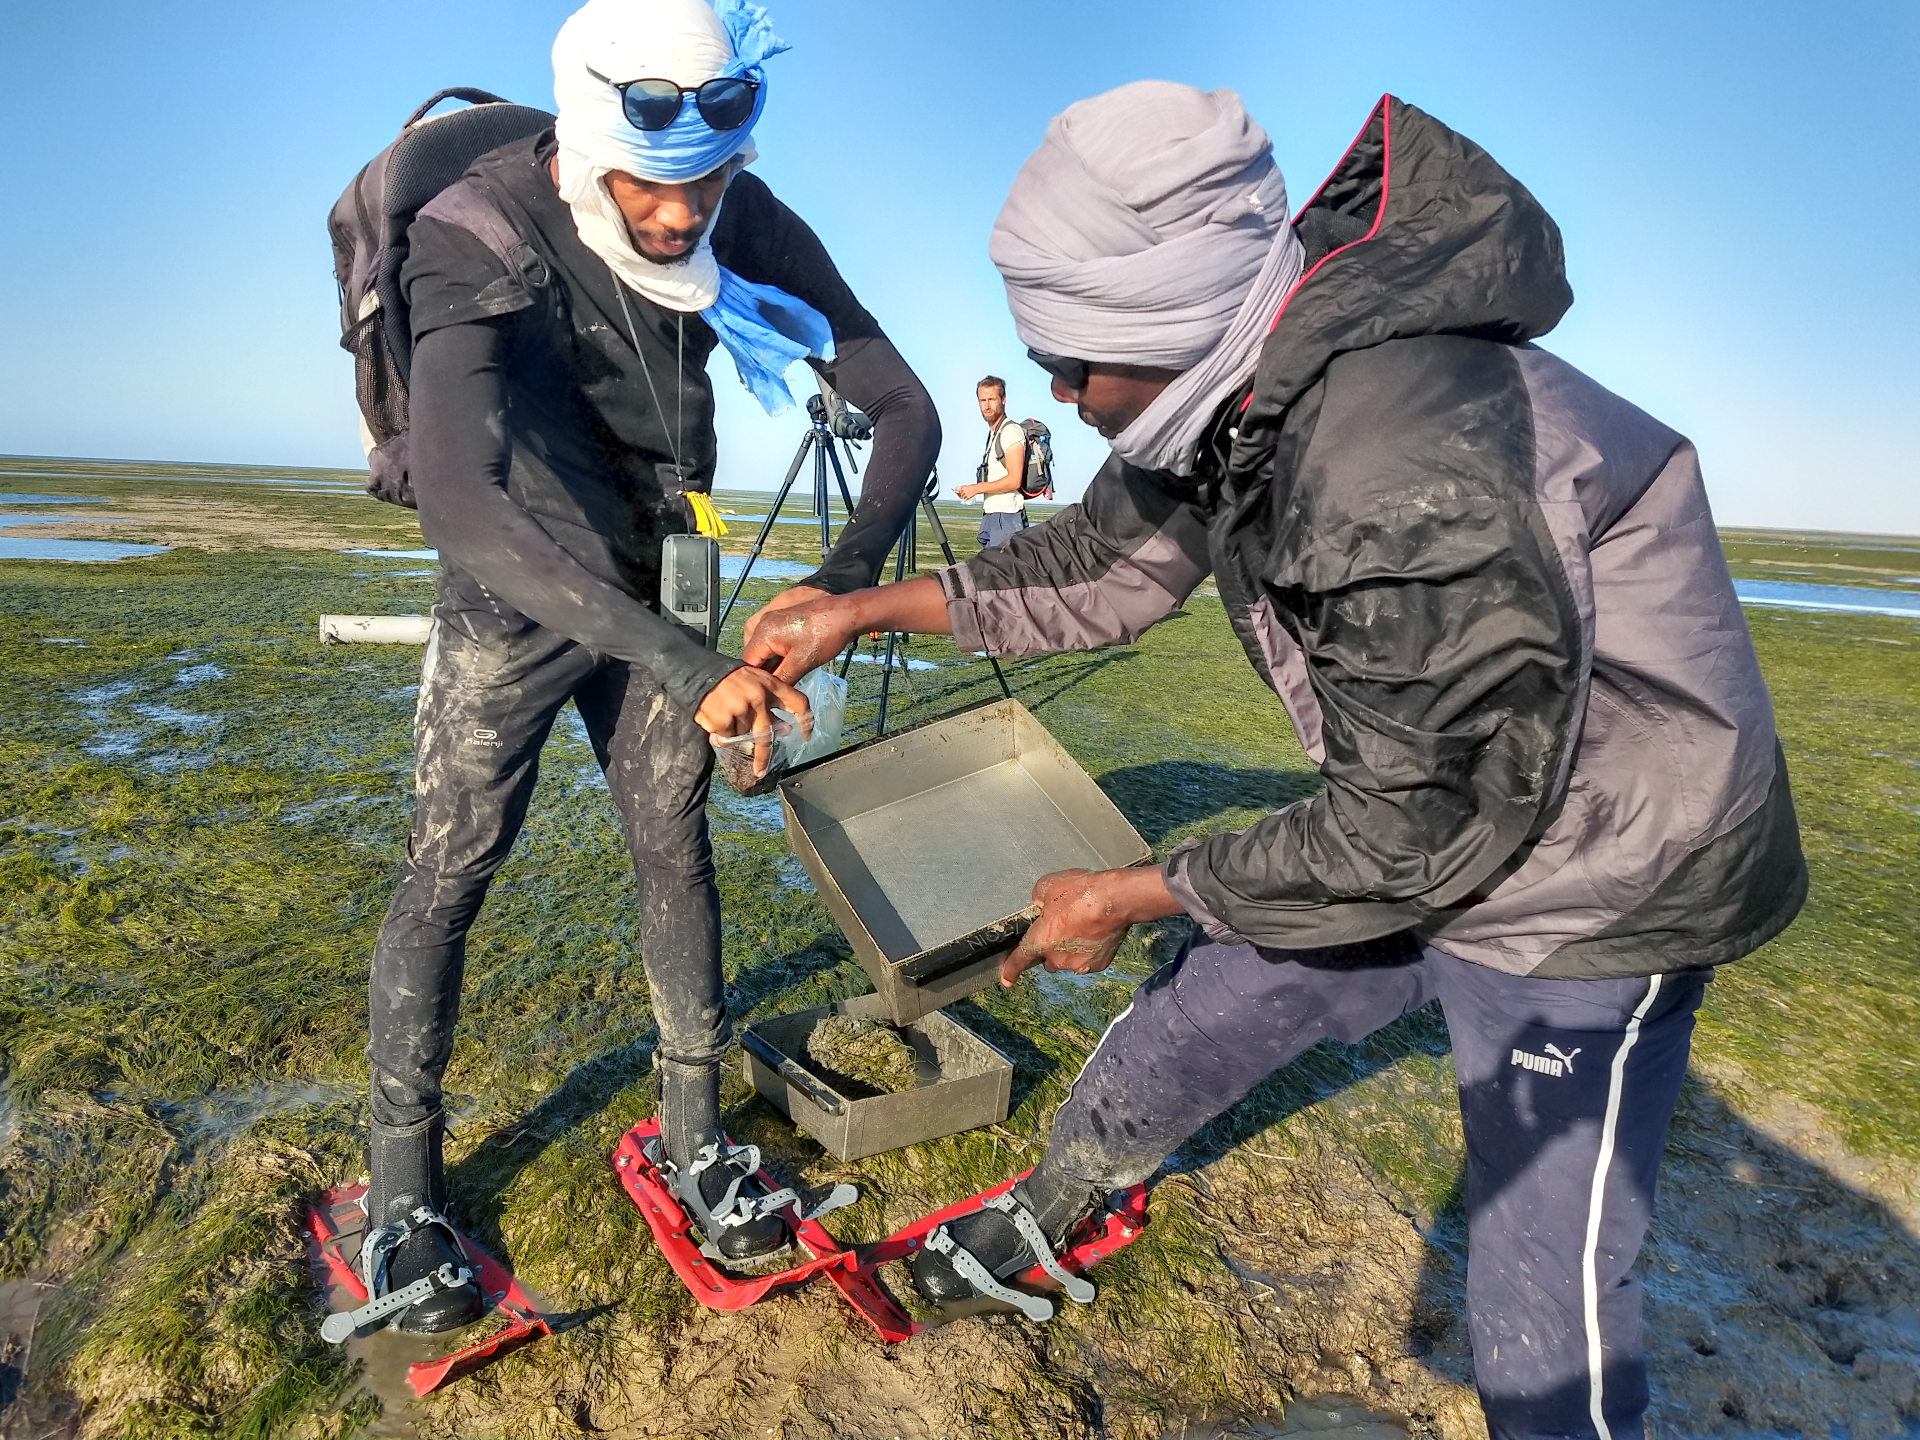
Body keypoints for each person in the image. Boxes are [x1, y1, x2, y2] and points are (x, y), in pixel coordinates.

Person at [743, 84, 1805, 1440]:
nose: (1062, 397)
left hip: (1603, 874)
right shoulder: (1234, 382)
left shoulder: (1401, 459)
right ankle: (1060, 1199)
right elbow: (1094, 565)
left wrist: (1124, 892)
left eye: (1073, 365)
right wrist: (858, 610)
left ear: (1167, 325)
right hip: (1436, 811)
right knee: (1196, 1019)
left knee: (1542, 1299)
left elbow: (1411, 830)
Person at [360, 0, 939, 1333]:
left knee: (673, 842)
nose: (683, 220)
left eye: (708, 186)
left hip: (669, 547)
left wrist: (839, 582)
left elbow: (901, 404)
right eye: (649, 190)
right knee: (454, 861)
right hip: (522, 574)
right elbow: (458, 497)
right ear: (584, 142)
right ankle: (403, 1196)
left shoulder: (740, 206)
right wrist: (683, 659)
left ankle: (695, 1141)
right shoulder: (479, 228)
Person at [955, 375, 1027, 546]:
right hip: (993, 515)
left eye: (992, 399)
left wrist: (976, 488)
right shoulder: (995, 433)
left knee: (1002, 571)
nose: (986, 406)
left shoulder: (1011, 431)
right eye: (982, 400)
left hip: (1007, 517)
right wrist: (969, 490)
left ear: (1003, 400)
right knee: (989, 571)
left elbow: (1014, 479)